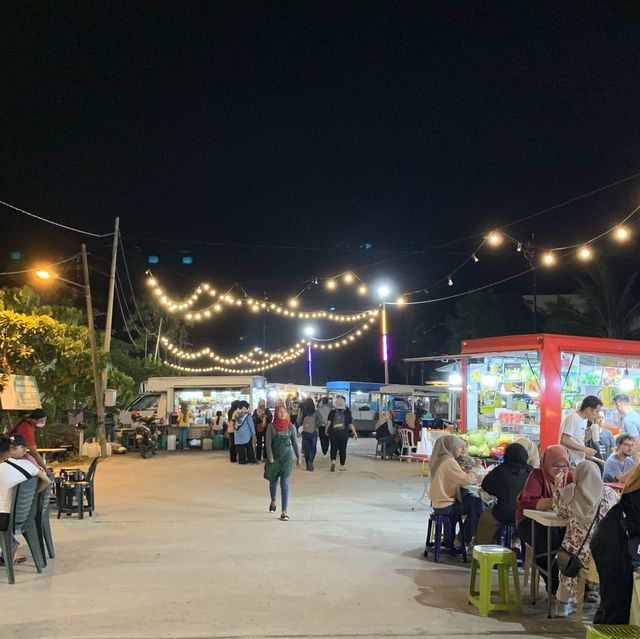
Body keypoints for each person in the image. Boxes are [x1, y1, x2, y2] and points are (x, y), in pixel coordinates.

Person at [552, 460, 618, 612]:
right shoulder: (609, 493)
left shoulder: (571, 491)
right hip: (600, 555)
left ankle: (562, 604)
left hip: (575, 554)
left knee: (567, 556)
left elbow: (559, 511)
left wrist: (556, 486)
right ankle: (594, 593)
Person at [516, 445, 573, 596]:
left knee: (573, 542)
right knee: (547, 541)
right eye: (556, 466)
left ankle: (574, 585)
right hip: (529, 521)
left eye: (564, 467)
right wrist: (557, 495)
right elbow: (530, 502)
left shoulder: (571, 478)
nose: (561, 471)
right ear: (547, 464)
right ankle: (554, 585)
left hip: (558, 524)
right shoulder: (536, 475)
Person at [591, 464, 640, 624]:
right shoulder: (636, 497)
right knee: (617, 609)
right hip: (618, 549)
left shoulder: (633, 490)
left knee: (613, 606)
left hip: (616, 544)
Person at [0, 435, 50, 566]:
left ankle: (11, 545)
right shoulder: (27, 464)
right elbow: (47, 481)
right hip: (25, 517)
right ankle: (11, 544)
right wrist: (32, 496)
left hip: (5, 520)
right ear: (9, 449)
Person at [428, 434, 484, 546]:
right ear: (451, 447)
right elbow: (467, 480)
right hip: (446, 505)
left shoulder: (438, 459)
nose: (461, 449)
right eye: (459, 447)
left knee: (474, 501)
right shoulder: (449, 461)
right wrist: (475, 469)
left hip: (437, 503)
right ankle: (462, 539)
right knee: (478, 505)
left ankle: (455, 539)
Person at [476, 442, 531, 544]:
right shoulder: (531, 471)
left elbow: (485, 485)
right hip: (526, 515)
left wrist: (500, 492)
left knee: (485, 518)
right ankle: (516, 544)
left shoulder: (501, 470)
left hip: (505, 512)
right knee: (521, 525)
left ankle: (483, 548)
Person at [264, 402, 301, 520]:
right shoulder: (271, 427)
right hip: (274, 459)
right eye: (280, 411)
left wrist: (299, 456)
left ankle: (284, 511)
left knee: (285, 484)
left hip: (286, 459)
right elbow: (268, 444)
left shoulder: (291, 427)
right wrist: (270, 458)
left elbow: (295, 443)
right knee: (273, 483)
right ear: (276, 413)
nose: (282, 413)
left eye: (284, 411)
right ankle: (273, 500)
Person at [558, 395, 602, 466]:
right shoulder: (573, 418)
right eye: (596, 411)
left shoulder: (582, 420)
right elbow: (564, 440)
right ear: (588, 409)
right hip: (570, 461)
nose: (597, 415)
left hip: (578, 460)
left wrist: (590, 434)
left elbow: (578, 441)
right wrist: (585, 449)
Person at [325, 397, 357, 472]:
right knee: (343, 449)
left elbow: (329, 422)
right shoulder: (347, 412)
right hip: (344, 433)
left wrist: (326, 430)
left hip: (333, 433)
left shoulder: (332, 412)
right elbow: (351, 424)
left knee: (333, 448)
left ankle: (333, 461)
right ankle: (342, 466)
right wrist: (355, 433)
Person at [297, 397, 323, 471]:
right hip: (313, 432)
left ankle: (308, 466)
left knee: (306, 449)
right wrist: (316, 426)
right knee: (313, 448)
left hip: (305, 432)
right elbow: (320, 421)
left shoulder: (303, 411)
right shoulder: (316, 412)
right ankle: (310, 461)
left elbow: (298, 421)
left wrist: (302, 425)